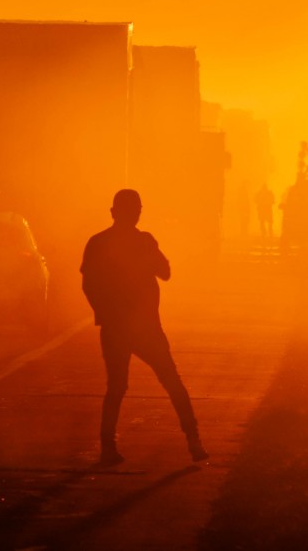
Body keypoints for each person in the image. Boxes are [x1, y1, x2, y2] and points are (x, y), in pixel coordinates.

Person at [80, 189, 207, 466]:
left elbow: (88, 284)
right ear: (136, 213)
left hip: (117, 327)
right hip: (146, 326)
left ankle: (108, 447)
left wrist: (103, 312)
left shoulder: (98, 242)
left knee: (116, 387)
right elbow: (166, 273)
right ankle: (194, 441)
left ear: (113, 212)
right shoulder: (145, 242)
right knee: (172, 383)